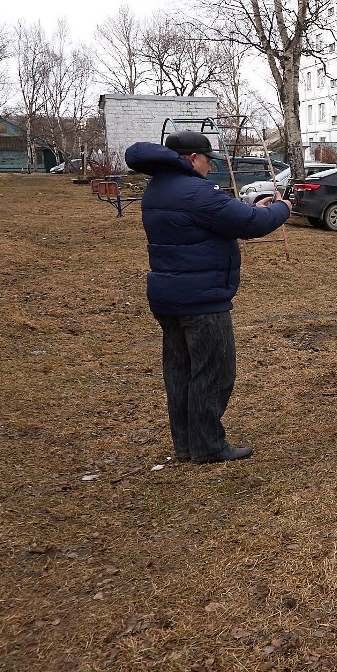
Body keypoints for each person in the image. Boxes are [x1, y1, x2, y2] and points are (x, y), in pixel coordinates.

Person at [125, 131, 291, 464]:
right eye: (206, 159)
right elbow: (249, 225)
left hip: (168, 295)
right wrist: (282, 209)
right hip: (201, 300)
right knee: (213, 372)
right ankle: (208, 446)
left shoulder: (158, 188)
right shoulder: (195, 191)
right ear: (190, 159)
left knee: (181, 372)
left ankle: (187, 444)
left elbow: (214, 220)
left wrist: (251, 208)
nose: (209, 166)